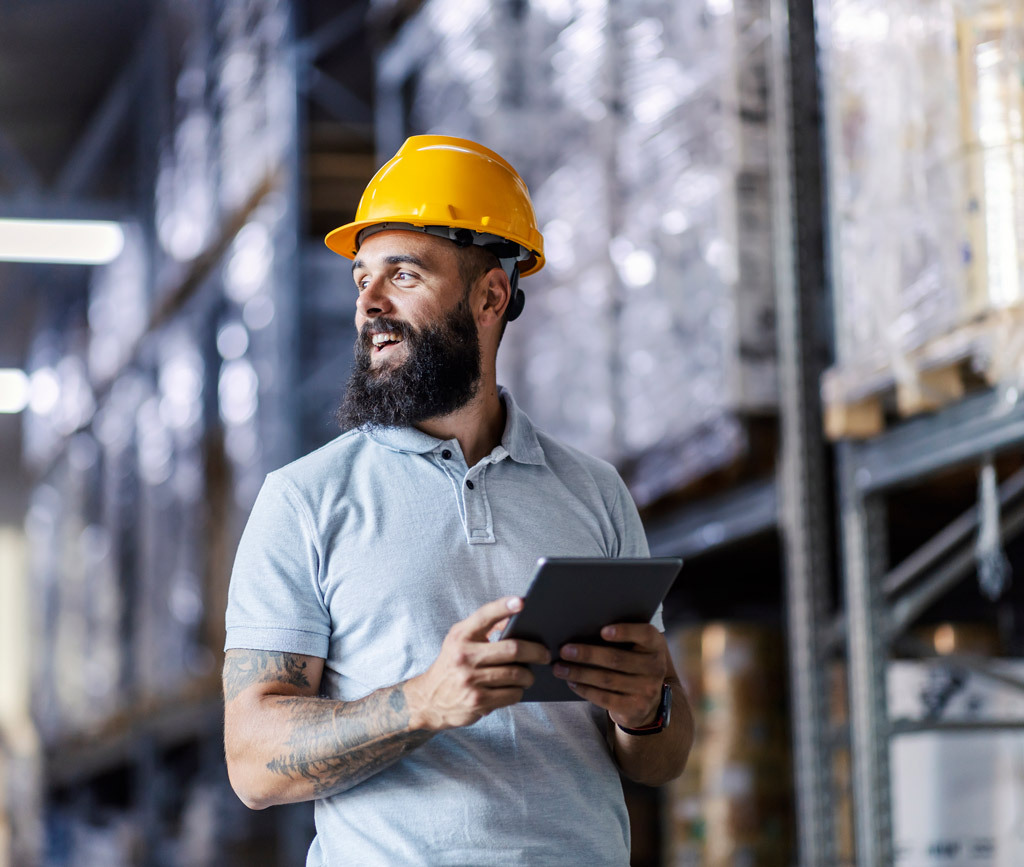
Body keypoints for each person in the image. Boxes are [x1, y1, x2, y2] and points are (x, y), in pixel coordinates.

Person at [222, 135, 694, 866]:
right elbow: (252, 763)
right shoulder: (305, 500)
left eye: (402, 275)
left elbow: (659, 760)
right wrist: (423, 701)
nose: (369, 305)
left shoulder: (594, 492)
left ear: (490, 296)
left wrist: (647, 708)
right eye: (361, 280)